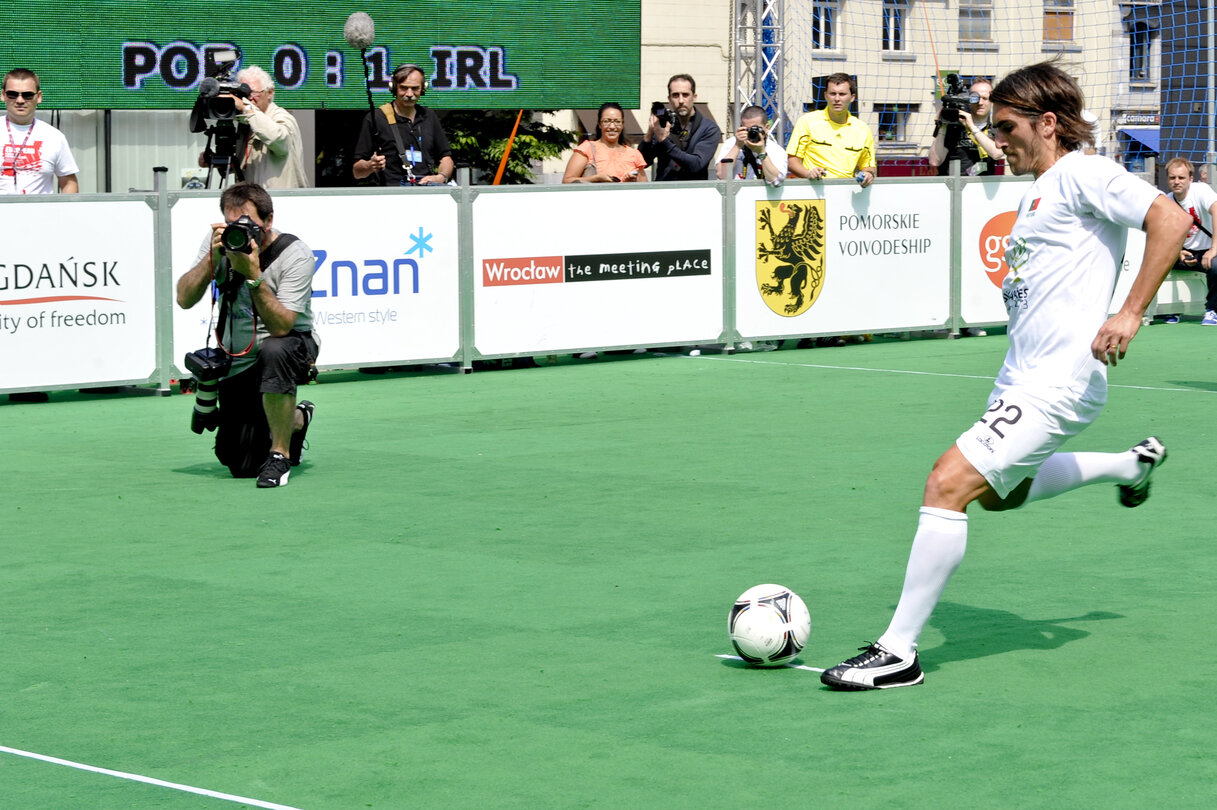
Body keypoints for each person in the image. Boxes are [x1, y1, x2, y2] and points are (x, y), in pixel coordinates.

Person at [820, 62, 1192, 691]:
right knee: (1002, 492)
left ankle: (897, 651)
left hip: (1058, 381)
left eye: (1009, 126)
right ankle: (1130, 466)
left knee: (947, 484)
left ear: (1048, 124)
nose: (1001, 138)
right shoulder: (1041, 186)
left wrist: (1129, 312)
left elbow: (1172, 219)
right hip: (1022, 378)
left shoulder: (1083, 173)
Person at [176, 182, 319, 489]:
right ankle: (297, 418)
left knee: (275, 350)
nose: (239, 231)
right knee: (238, 461)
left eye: (247, 224)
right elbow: (184, 299)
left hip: (290, 346)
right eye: (230, 224)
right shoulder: (221, 243)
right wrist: (212, 259)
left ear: (268, 221)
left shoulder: (296, 254)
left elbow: (283, 326)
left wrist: (253, 275)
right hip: (239, 356)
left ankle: (280, 455)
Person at [352, 63, 454, 186]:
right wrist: (370, 165)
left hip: (427, 192)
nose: (410, 94)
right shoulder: (376, 118)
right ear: (394, 87)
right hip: (392, 194)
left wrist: (441, 177)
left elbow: (446, 158)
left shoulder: (429, 116)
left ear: (423, 88)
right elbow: (357, 172)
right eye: (404, 88)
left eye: (415, 88)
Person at [786, 72, 876, 187]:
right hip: (814, 193)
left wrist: (868, 174)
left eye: (842, 94)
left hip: (846, 194)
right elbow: (792, 161)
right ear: (825, 95)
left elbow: (868, 165)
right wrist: (808, 173)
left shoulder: (863, 129)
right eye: (832, 94)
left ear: (852, 97)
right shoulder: (807, 122)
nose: (837, 99)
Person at [1, 68, 78, 195]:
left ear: (39, 97)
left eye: (28, 95)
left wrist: (64, 213)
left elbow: (69, 182)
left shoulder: (54, 137)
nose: (20, 100)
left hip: (41, 214)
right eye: (12, 94)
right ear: (3, 95)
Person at [231, 65, 308, 188]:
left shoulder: (282, 116)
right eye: (244, 93)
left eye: (254, 92)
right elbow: (242, 166)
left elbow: (279, 140)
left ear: (270, 93)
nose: (248, 97)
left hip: (280, 199)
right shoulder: (246, 123)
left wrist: (246, 108)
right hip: (252, 199)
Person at [1164, 156, 1217, 326]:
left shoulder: (1200, 191)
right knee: (1158, 260)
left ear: (1191, 179)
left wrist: (1214, 249)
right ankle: (1168, 309)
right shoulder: (1166, 201)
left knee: (1216, 264)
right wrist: (1177, 251)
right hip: (1182, 252)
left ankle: (1212, 310)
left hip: (1207, 250)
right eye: (1172, 178)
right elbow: (1164, 234)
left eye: (1181, 178)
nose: (1177, 182)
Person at [638, 74, 722, 181]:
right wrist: (649, 134)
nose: (681, 100)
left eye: (685, 95)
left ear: (694, 97)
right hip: (664, 192)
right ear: (669, 99)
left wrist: (664, 141)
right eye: (676, 95)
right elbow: (642, 163)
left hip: (695, 193)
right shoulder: (663, 125)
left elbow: (696, 164)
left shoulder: (708, 128)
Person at [928, 78, 1005, 177]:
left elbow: (997, 154)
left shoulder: (997, 125)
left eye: (985, 98)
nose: (980, 103)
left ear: (992, 101)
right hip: (953, 187)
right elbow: (934, 162)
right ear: (968, 99)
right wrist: (942, 126)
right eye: (975, 98)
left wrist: (972, 126)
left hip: (982, 187)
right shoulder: (955, 125)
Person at [562, 102, 648, 183]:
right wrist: (595, 178)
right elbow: (567, 182)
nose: (612, 126)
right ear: (599, 124)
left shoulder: (634, 154)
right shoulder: (587, 149)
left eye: (617, 122)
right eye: (607, 121)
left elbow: (645, 189)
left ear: (622, 124)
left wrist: (628, 183)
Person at [715, 104, 787, 186]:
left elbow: (776, 182)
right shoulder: (731, 143)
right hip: (736, 196)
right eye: (747, 129)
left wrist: (762, 152)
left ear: (766, 127)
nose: (752, 133)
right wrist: (737, 145)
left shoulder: (775, 150)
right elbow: (721, 175)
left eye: (755, 129)